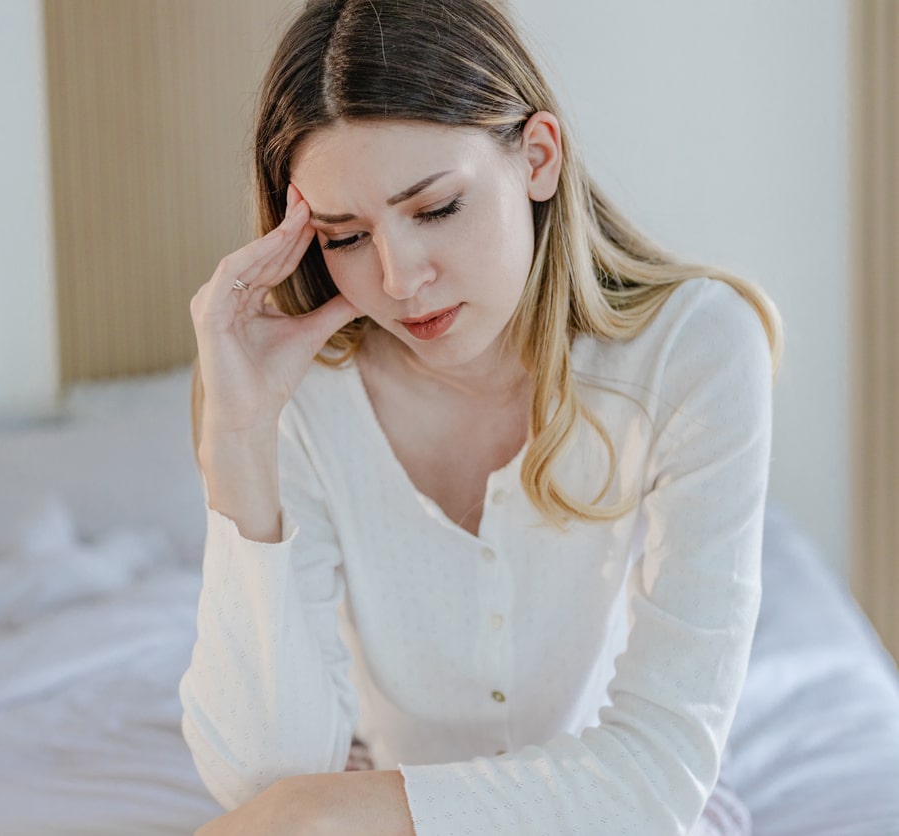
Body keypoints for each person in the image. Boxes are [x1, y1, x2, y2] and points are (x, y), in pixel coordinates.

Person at [179, 0, 782, 833]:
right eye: (345, 237)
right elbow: (263, 783)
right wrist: (239, 442)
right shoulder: (304, 397)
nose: (398, 279)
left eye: (434, 209)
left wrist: (326, 812)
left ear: (537, 159)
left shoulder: (696, 349)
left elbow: (656, 776)